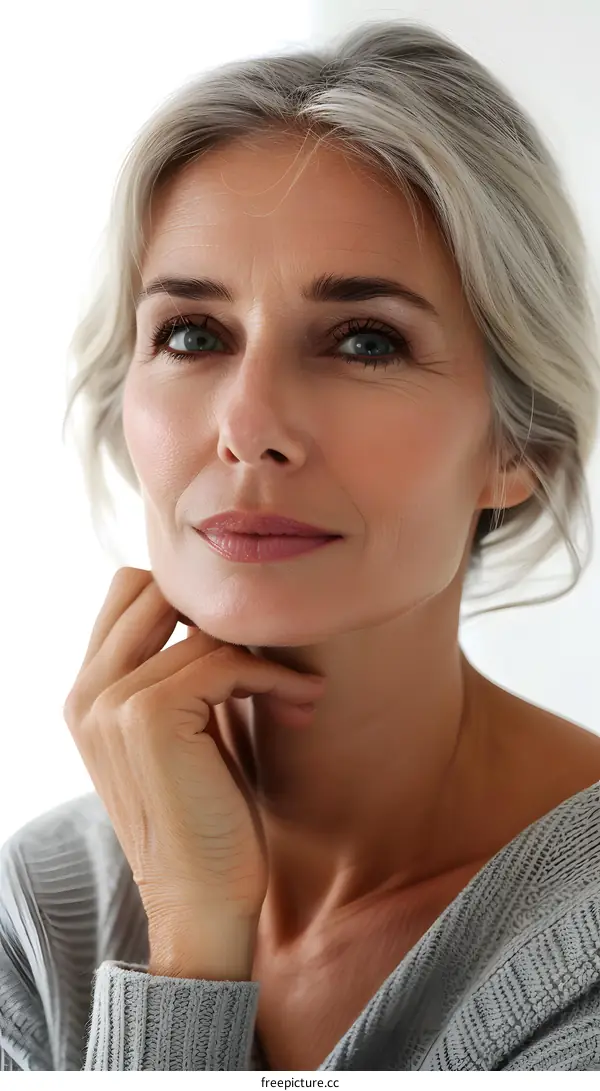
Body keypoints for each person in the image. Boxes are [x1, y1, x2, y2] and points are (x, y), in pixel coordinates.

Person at [1, 18, 600, 1073]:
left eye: (364, 340)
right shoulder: (38, 910)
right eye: (192, 333)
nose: (248, 423)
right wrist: (188, 934)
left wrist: (188, 960)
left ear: (525, 445)